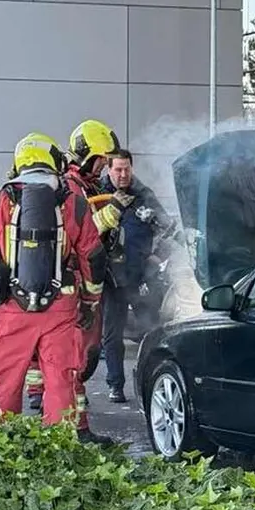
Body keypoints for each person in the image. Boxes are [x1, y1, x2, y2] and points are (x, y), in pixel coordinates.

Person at [0, 132, 109, 437]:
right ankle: (59, 452)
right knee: (61, 383)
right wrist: (90, 303)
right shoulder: (73, 202)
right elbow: (93, 257)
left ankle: (2, 449)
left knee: (6, 383)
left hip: (11, 308)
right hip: (62, 306)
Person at [25, 120, 134, 424]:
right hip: (75, 280)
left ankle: (70, 414)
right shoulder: (72, 188)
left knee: (82, 352)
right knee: (77, 354)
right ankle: (71, 421)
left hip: (87, 278)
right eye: (101, 160)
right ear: (88, 157)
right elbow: (81, 236)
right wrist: (112, 212)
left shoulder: (88, 186)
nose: (103, 167)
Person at [98, 149, 171, 403]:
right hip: (112, 278)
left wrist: (157, 256)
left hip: (141, 277)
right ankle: (115, 385)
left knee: (152, 331)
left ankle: (151, 384)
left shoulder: (143, 195)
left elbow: (166, 227)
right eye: (118, 169)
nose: (123, 174)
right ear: (109, 170)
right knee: (113, 335)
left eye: (127, 169)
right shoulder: (99, 195)